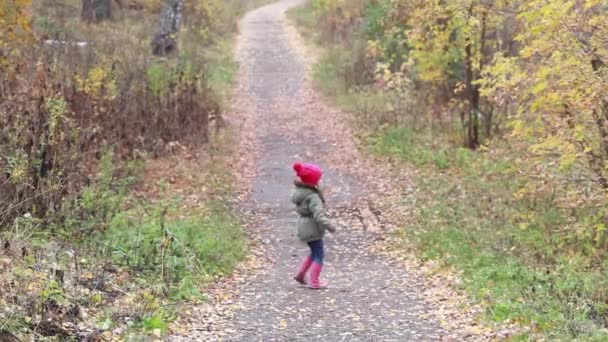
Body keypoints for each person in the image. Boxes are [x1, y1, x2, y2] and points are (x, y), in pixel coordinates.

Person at [291, 162, 336, 289]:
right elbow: (318, 216)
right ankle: (314, 281)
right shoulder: (313, 196)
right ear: (313, 180)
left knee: (313, 252)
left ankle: (301, 274)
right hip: (312, 228)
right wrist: (330, 225)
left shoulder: (300, 192)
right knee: (319, 255)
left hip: (303, 226)